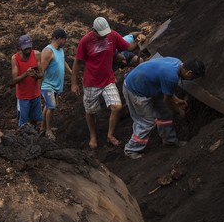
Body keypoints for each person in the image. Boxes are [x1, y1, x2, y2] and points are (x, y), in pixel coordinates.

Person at [71, 17, 144, 150]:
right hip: (91, 82)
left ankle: (110, 135)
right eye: (101, 33)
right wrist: (74, 83)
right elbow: (77, 62)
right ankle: (93, 136)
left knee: (117, 107)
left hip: (107, 80)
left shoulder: (113, 35)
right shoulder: (85, 41)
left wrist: (138, 40)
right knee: (90, 111)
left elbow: (128, 47)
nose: (105, 35)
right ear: (94, 31)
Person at [122, 56, 206, 159]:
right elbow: (167, 99)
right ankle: (131, 149)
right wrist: (179, 111)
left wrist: (176, 100)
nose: (191, 79)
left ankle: (169, 140)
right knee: (146, 123)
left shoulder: (176, 62)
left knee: (165, 112)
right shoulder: (171, 76)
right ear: (189, 73)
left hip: (147, 84)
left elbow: (167, 91)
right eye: (192, 78)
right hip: (135, 90)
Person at [40, 28, 72, 140]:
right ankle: (48, 131)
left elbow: (63, 61)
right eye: (64, 39)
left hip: (56, 85)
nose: (65, 42)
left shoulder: (60, 50)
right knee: (52, 107)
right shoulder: (48, 51)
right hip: (47, 84)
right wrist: (39, 85)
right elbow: (41, 69)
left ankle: (43, 128)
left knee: (47, 106)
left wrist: (71, 73)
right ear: (57, 38)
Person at [11, 34, 43, 129]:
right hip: (23, 97)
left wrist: (36, 76)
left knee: (35, 120)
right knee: (23, 123)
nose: (28, 50)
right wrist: (26, 74)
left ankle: (34, 136)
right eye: (25, 48)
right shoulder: (15, 58)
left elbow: (42, 74)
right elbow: (14, 80)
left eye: (29, 47)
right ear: (20, 47)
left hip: (35, 94)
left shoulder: (37, 54)